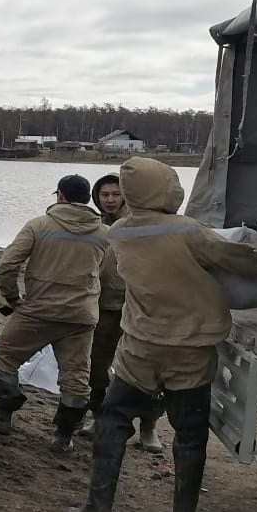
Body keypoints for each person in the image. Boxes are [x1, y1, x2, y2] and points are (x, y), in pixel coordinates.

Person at [66, 157, 257, 512]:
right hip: (190, 347)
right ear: (167, 188)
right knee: (190, 431)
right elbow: (245, 262)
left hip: (138, 345)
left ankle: (98, 506)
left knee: (113, 420)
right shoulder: (190, 231)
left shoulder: (120, 232)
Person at [0, 175, 110, 451]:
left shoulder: (39, 225)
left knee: (5, 357)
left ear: (59, 196)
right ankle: (64, 436)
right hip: (80, 316)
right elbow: (111, 274)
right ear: (88, 199)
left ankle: (1, 415)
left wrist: (12, 297)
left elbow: (9, 264)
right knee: (76, 374)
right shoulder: (104, 233)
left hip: (39, 311)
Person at [77, 174, 163, 453]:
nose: (110, 200)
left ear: (125, 196)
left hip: (137, 307)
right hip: (102, 306)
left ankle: (148, 425)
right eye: (105, 195)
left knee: (145, 367)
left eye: (116, 194)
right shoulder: (93, 225)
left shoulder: (141, 224)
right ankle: (98, 415)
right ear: (96, 197)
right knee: (97, 366)